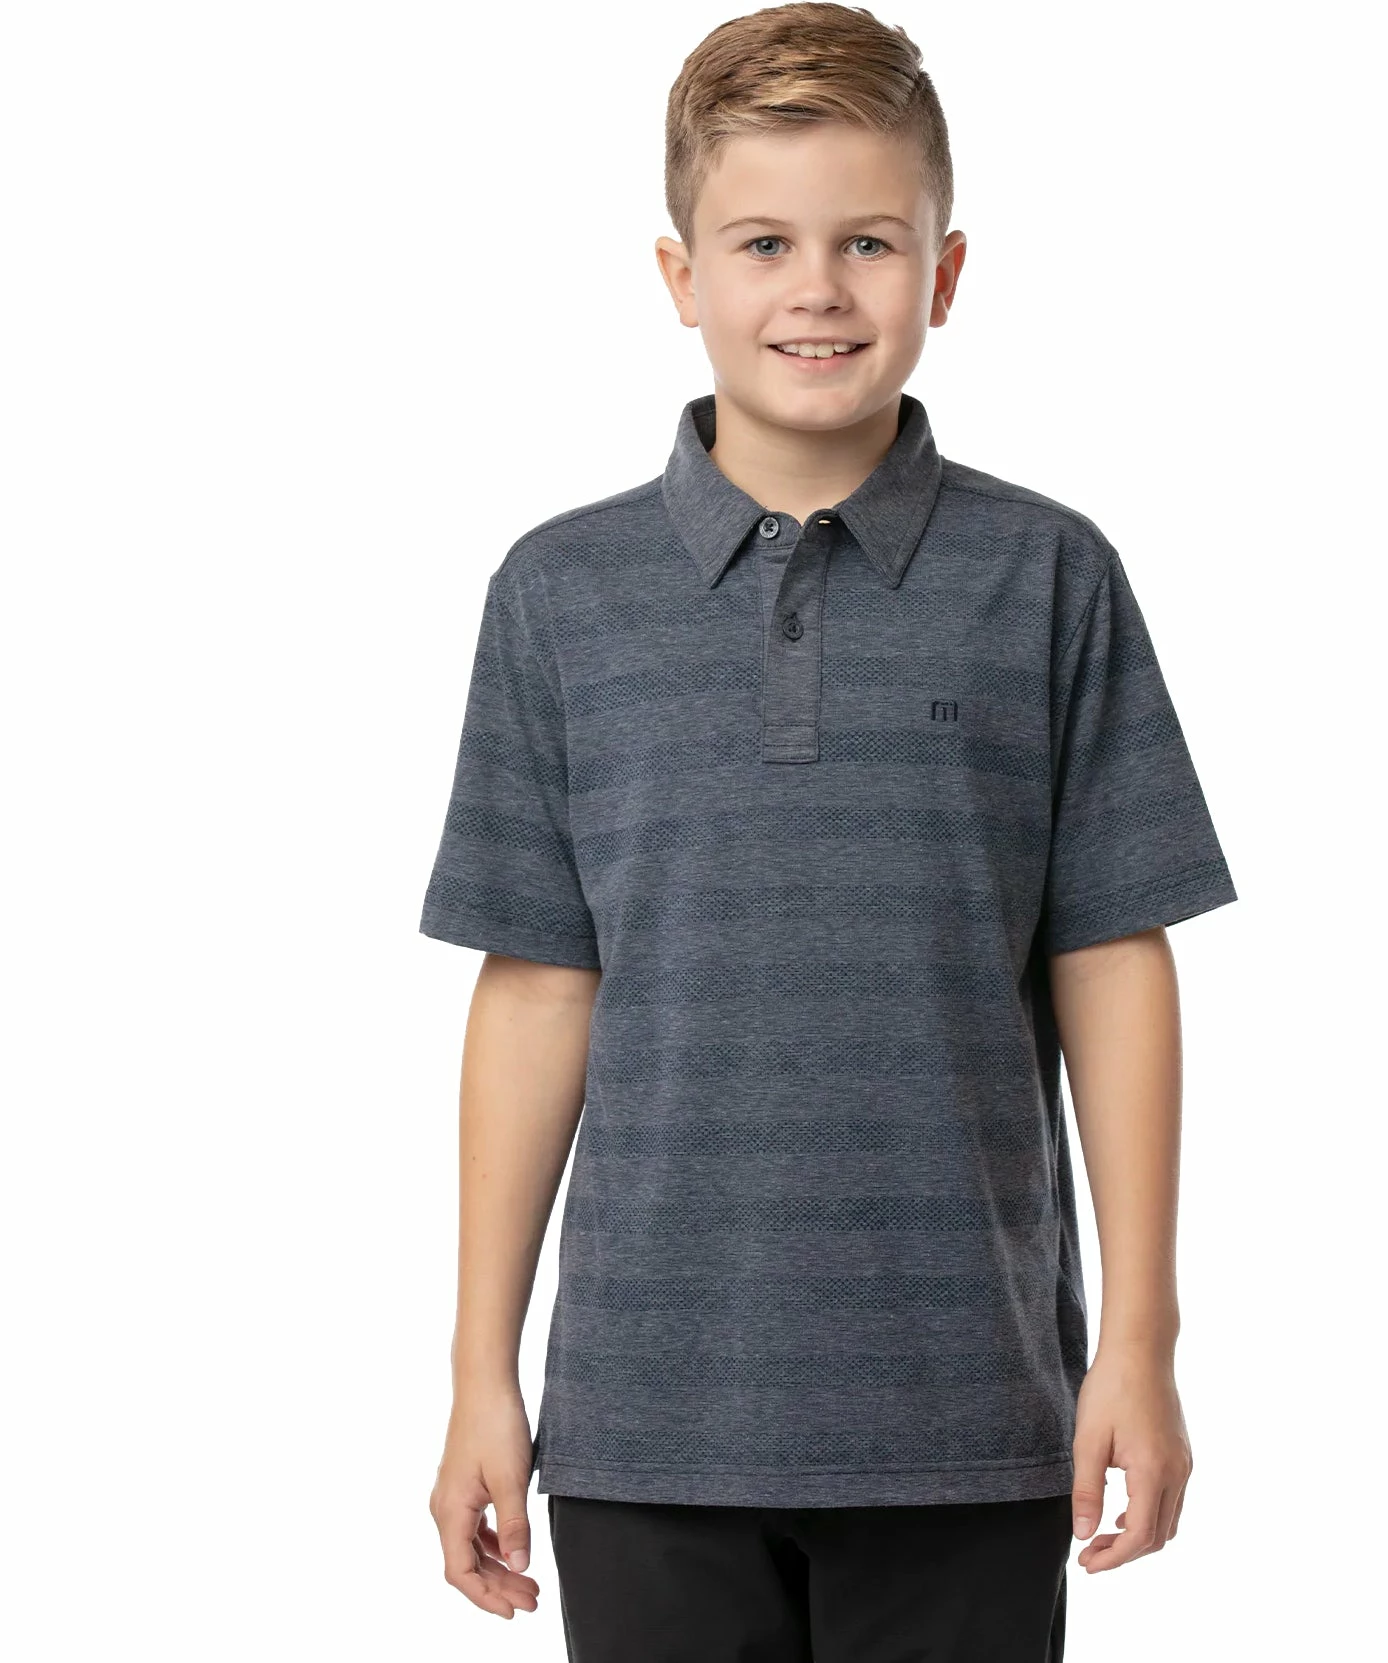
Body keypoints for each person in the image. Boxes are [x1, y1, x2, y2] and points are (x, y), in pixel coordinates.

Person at [419, 4, 1237, 1657]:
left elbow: (1112, 962)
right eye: (763, 244)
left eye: (868, 241)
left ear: (944, 272)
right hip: (648, 1416)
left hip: (971, 1410)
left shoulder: (1048, 577)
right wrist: (477, 1372)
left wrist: (1138, 1342)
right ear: (679, 276)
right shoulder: (560, 594)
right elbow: (538, 990)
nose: (817, 289)